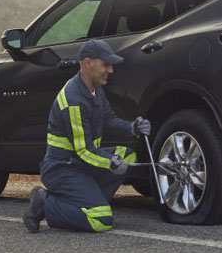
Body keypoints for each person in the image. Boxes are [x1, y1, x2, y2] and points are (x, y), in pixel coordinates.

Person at [23, 39, 152, 233]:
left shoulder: (94, 90)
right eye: (105, 64)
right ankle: (45, 202)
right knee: (101, 220)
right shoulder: (73, 101)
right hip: (63, 168)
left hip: (81, 164)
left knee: (128, 157)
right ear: (87, 63)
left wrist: (133, 127)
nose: (110, 70)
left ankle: (88, 201)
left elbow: (109, 120)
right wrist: (109, 162)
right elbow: (83, 151)